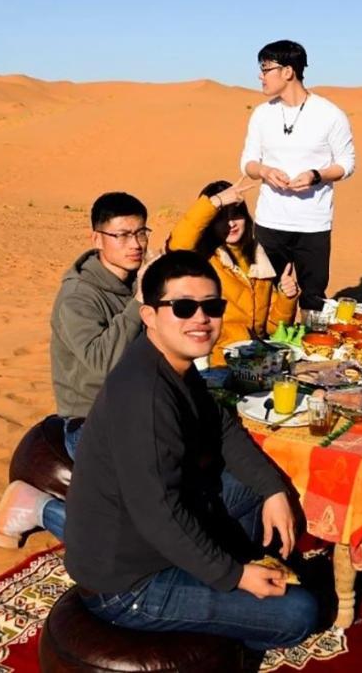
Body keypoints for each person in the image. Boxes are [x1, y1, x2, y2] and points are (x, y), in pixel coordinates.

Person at [65, 250, 319, 651]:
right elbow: (160, 516)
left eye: (211, 306)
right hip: (128, 582)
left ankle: (231, 582)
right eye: (183, 307)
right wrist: (234, 576)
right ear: (149, 316)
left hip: (154, 531)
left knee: (254, 487)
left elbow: (221, 428)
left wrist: (273, 490)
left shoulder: (173, 365)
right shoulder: (146, 396)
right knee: (299, 614)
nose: (200, 319)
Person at [0, 192, 151, 548]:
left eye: (140, 233)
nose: (134, 244)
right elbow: (102, 362)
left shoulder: (130, 283)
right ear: (97, 239)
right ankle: (38, 507)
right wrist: (139, 304)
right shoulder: (79, 296)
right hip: (91, 420)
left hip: (139, 409)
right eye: (121, 235)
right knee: (133, 540)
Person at [240, 40, 356, 312]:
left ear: (288, 71)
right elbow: (247, 163)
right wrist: (265, 171)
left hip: (313, 225)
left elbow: (347, 163)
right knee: (264, 294)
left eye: (266, 68)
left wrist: (317, 175)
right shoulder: (262, 114)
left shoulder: (330, 115)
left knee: (312, 298)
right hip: (270, 223)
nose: (261, 75)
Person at [168, 179, 299, 365]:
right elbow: (178, 245)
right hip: (216, 359)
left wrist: (287, 298)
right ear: (210, 223)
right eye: (221, 218)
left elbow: (272, 327)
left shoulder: (259, 258)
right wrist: (214, 203)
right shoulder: (202, 259)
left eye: (236, 215)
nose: (231, 224)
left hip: (255, 359)